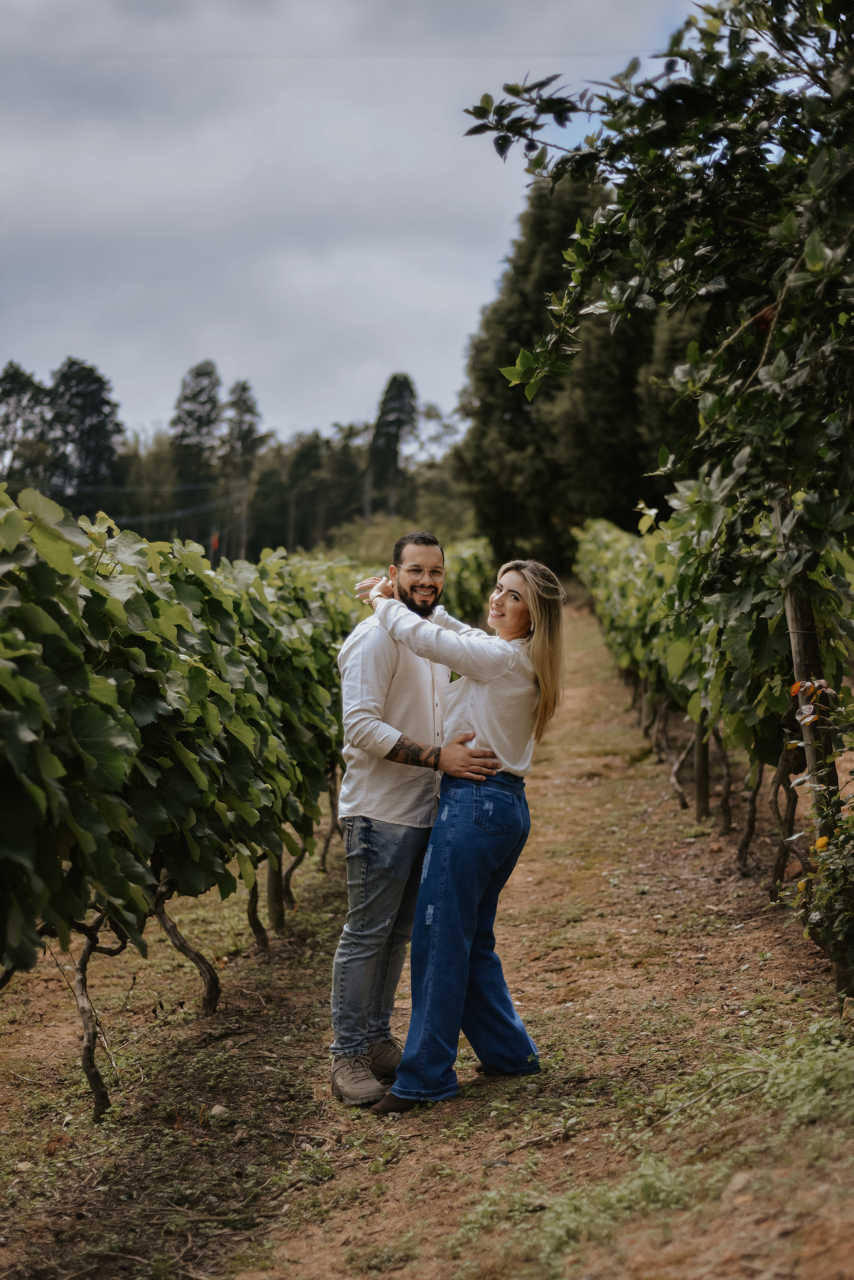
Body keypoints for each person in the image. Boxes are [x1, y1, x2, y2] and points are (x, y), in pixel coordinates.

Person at [355, 559, 565, 1113]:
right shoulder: (514, 654)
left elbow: (430, 640)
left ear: (534, 615)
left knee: (440, 942)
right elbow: (459, 633)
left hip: (473, 805)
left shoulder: (501, 659)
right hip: (504, 808)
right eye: (498, 589)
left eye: (513, 596)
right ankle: (510, 1054)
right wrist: (423, 605)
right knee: (472, 943)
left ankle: (424, 1078)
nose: (497, 600)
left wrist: (384, 603)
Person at [329, 531, 501, 1106]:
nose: (427, 580)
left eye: (436, 571)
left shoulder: (423, 637)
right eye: (415, 571)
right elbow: (360, 726)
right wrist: (437, 757)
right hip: (379, 812)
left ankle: (377, 1039)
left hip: (422, 809)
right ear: (393, 573)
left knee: (397, 933)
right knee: (366, 933)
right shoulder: (374, 639)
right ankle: (347, 1055)